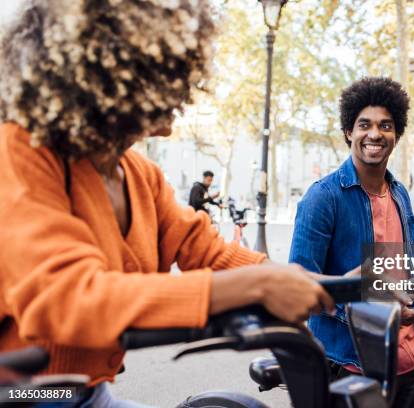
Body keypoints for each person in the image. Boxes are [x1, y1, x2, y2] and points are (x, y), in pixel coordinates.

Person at [0, 1, 334, 406]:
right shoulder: (20, 152)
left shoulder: (139, 173)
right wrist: (257, 285)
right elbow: (68, 298)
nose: (184, 88)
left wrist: (324, 284)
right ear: (114, 71)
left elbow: (204, 250)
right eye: (170, 69)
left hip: (88, 392)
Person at [289, 77, 414, 408]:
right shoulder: (323, 197)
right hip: (351, 363)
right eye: (364, 125)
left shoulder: (401, 195)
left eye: (385, 126)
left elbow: (408, 266)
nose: (374, 134)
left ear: (396, 136)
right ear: (349, 132)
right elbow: (300, 283)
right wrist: (366, 295)